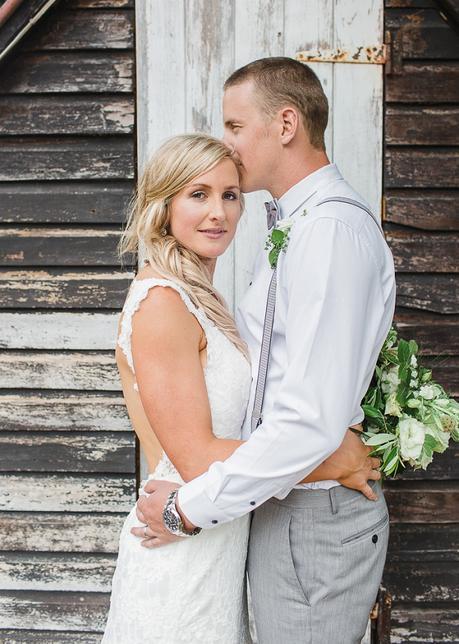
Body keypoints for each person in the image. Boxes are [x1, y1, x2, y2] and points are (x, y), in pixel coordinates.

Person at [135, 59, 396, 644]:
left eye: (233, 124)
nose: (225, 142)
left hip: (313, 516)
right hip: (279, 501)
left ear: (284, 124)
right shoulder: (294, 229)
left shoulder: (330, 235)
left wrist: (190, 509)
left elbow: (306, 419)